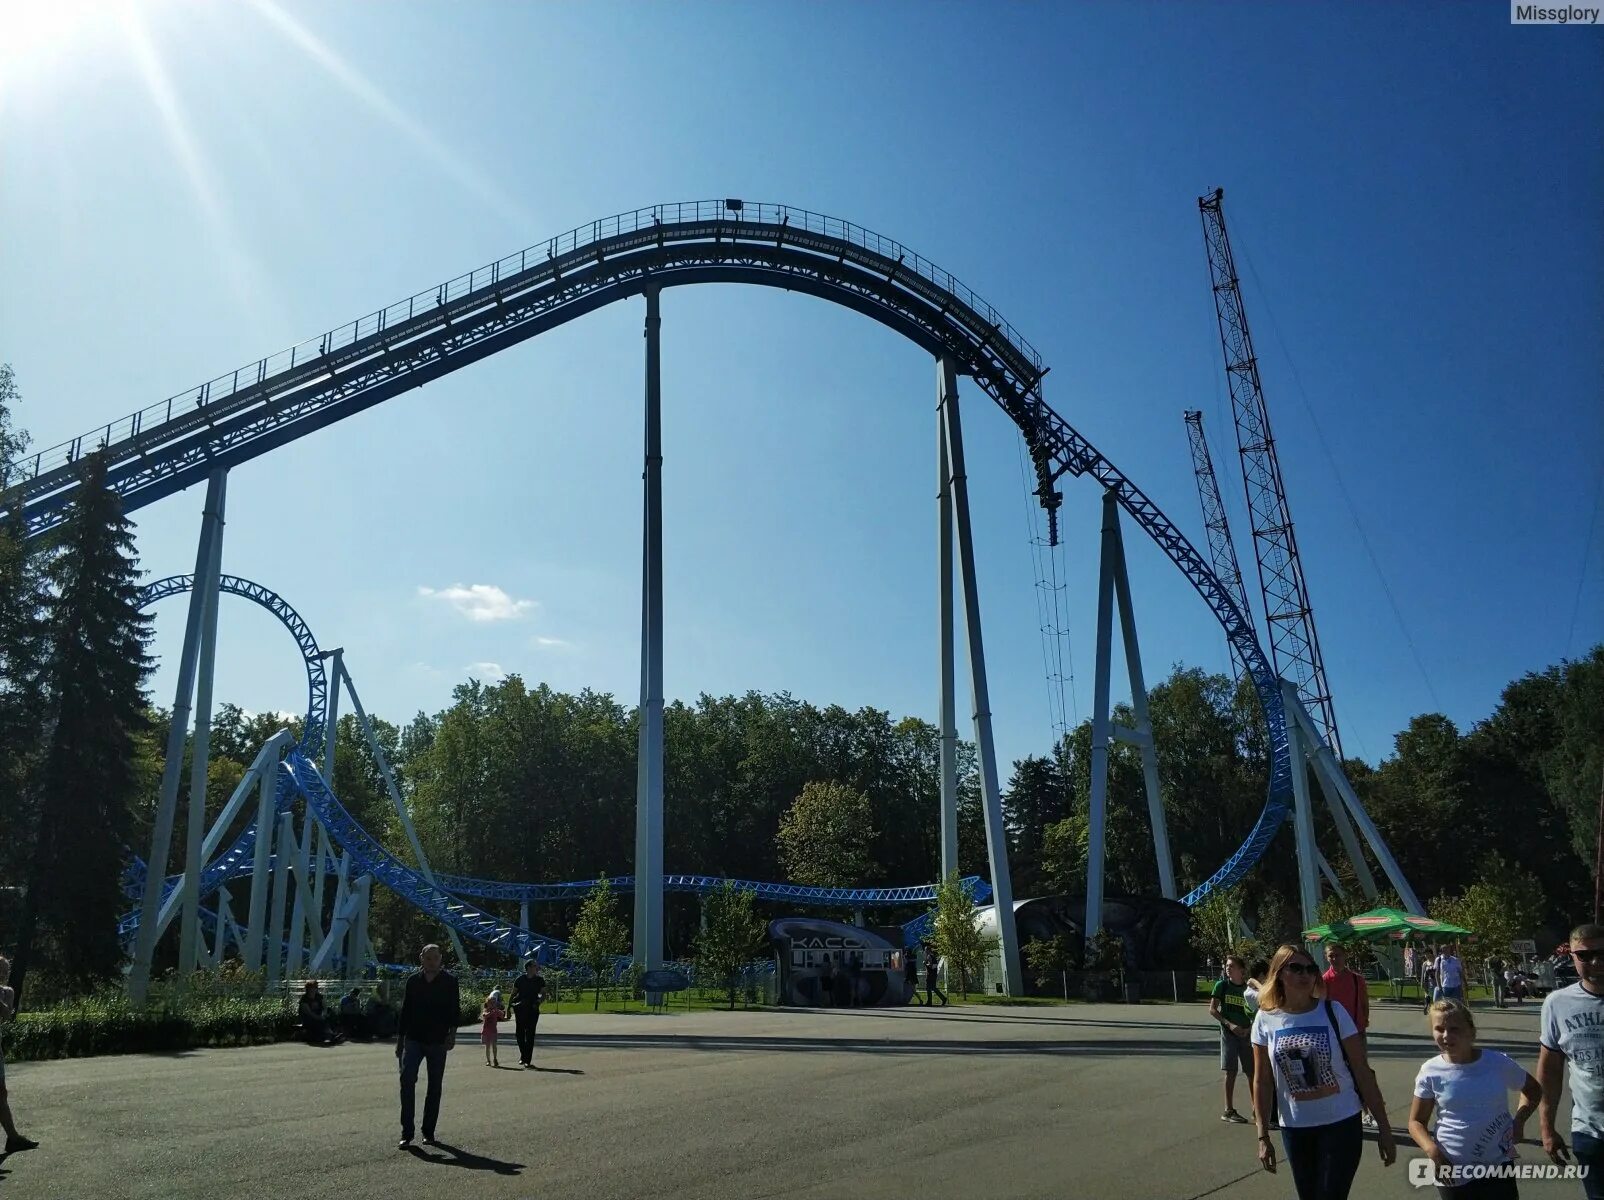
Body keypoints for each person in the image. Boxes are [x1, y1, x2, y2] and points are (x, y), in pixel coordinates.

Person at [1251, 943, 1395, 1199]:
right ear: (1279, 973)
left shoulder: (1332, 1011)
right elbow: (1262, 1081)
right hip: (1295, 1127)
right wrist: (1262, 1136)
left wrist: (1384, 1127)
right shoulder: (1265, 1019)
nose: (1305, 975)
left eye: (1311, 969)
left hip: (1341, 1121)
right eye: (1296, 968)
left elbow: (1362, 1071)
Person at [1408, 998, 1541, 1199]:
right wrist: (1432, 1151)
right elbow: (1416, 1122)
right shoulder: (1430, 1071)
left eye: (1454, 1029)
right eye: (1439, 1029)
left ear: (1471, 1031)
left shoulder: (1496, 1063)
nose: (1446, 1036)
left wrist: (1519, 1122)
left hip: (1497, 1163)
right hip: (1451, 1166)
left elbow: (1533, 1090)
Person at [1537, 922, 1604, 1200]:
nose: (1595, 961)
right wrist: (1547, 1128)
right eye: (1584, 955)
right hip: (1590, 1133)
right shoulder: (1557, 1004)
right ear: (1572, 957)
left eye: (1601, 953)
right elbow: (1550, 1072)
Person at [396, 943, 461, 1150]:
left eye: (435, 957)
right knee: (407, 1079)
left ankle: (428, 1132)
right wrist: (400, 1041)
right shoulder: (413, 981)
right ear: (421, 959)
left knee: (434, 1086)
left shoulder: (450, 982)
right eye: (428, 957)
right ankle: (407, 1133)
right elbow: (405, 1011)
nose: (432, 961)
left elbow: (454, 1009)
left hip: (437, 1040)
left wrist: (452, 1035)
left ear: (441, 959)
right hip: (413, 1038)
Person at [1321, 946, 1374, 1126]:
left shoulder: (1356, 979)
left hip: (1356, 1032)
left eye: (1338, 955)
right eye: (1331, 956)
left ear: (1345, 956)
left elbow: (1364, 1002)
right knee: (1337, 1072)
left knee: (1361, 1071)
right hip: (1334, 1035)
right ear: (1326, 958)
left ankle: (1366, 1111)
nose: (1334, 959)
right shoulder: (1324, 981)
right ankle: (1343, 1110)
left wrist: (1364, 1018)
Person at [0, 957, 38, 1155]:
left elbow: (6, 1015)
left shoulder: (7, 992)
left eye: (5, 971)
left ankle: (13, 1139)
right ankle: (13, 1138)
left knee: (1, 1094)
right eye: (1, 970)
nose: (3, 974)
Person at [1210, 955, 1254, 1124]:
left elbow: (1255, 1011)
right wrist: (1230, 1025)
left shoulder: (1247, 989)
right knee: (1231, 1070)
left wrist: (1249, 1028)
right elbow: (1213, 1010)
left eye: (1232, 966)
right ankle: (1229, 1110)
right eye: (1227, 966)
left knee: (1251, 1072)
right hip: (1229, 1034)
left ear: (1241, 970)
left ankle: (1256, 1109)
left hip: (1246, 1034)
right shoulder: (1222, 985)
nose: (1228, 968)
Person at [1244, 959, 1280, 1131]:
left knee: (1273, 1079)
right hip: (1260, 1040)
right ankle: (1267, 1117)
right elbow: (1268, 995)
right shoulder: (1250, 993)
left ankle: (1262, 1112)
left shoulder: (1257, 989)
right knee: (1266, 1080)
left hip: (1271, 1038)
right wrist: (1257, 983)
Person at [510, 959, 545, 1068]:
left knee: (530, 1035)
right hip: (520, 1009)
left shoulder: (540, 980)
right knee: (519, 1034)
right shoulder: (520, 979)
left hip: (533, 1009)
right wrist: (508, 1008)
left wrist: (538, 1002)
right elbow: (513, 993)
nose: (537, 968)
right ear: (529, 968)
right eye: (535, 966)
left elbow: (544, 994)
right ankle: (523, 1055)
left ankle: (527, 1060)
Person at [298, 980, 342, 1046]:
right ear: (308, 989)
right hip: (308, 1018)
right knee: (321, 1021)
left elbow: (325, 1007)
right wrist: (319, 1017)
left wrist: (324, 1014)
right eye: (311, 988)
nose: (313, 990)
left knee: (330, 1013)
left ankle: (333, 1033)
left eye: (314, 988)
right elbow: (308, 1012)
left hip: (319, 1015)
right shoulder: (304, 998)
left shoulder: (319, 996)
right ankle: (330, 1036)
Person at [481, 989, 504, 1067]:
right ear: (487, 1004)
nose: (492, 1004)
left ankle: (495, 1058)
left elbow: (502, 1016)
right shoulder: (485, 1010)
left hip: (493, 1031)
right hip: (486, 1031)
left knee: (494, 1045)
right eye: (491, 1003)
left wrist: (500, 1012)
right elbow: (485, 1015)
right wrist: (492, 1012)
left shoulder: (496, 1010)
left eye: (494, 1003)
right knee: (487, 1046)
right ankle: (488, 1060)